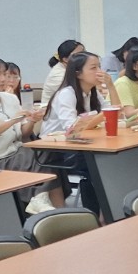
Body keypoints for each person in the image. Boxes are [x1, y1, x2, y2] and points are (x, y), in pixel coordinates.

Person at [0, 57, 61, 209]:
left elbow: (23, 134)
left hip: (18, 152)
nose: (3, 79)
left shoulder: (10, 98)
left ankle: (51, 205)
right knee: (43, 158)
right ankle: (41, 200)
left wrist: (32, 120)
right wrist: (12, 120)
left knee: (52, 155)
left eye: (4, 74)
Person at [41, 52, 119, 214]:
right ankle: (98, 214)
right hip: (57, 149)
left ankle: (105, 213)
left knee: (113, 159)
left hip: (81, 143)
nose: (100, 71)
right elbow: (71, 128)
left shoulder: (93, 92)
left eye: (99, 66)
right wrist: (102, 116)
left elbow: (116, 112)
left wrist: (111, 86)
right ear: (78, 73)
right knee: (100, 165)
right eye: (93, 68)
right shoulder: (66, 93)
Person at [42, 39, 84, 105]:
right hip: (53, 109)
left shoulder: (74, 69)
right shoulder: (57, 74)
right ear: (65, 59)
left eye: (84, 53)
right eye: (78, 55)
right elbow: (77, 92)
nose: (84, 57)